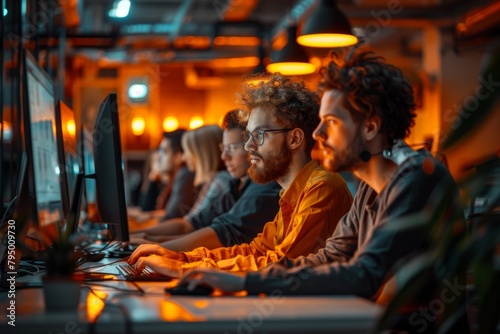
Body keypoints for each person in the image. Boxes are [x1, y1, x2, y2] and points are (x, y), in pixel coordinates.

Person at [177, 46, 464, 330]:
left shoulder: (417, 176)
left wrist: (244, 282)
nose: (317, 134)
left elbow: (364, 274)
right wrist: (214, 273)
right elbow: (330, 257)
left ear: (371, 127)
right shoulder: (369, 185)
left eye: (331, 122)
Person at [129, 74, 353, 273]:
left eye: (260, 135)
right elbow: (257, 252)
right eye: (248, 136)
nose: (248, 147)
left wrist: (186, 267)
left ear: (294, 139)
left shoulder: (322, 187)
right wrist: (183, 257)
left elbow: (282, 263)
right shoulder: (291, 194)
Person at [129, 110, 282, 251]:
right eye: (224, 148)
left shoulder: (262, 185)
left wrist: (157, 246)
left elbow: (223, 233)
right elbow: (192, 224)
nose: (224, 157)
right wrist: (145, 238)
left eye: (233, 148)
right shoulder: (235, 184)